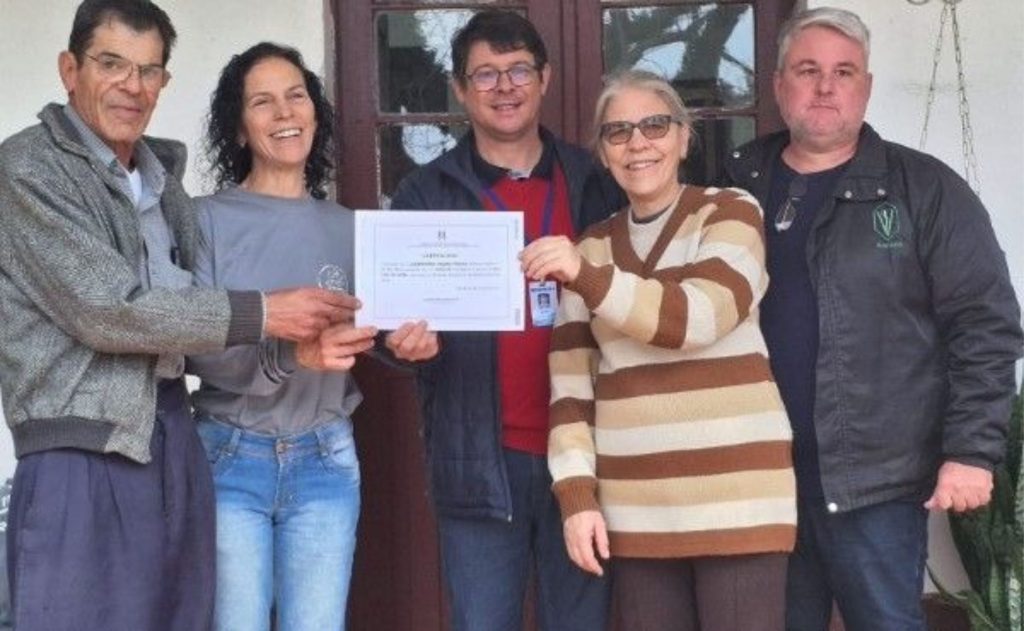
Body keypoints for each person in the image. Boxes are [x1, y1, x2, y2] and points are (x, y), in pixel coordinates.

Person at [0, 2, 357, 629]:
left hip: (171, 435)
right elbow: (106, 310)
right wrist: (267, 314)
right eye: (111, 64)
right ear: (69, 69)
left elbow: (185, 316)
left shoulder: (160, 179)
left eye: (149, 70)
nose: (131, 86)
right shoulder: (30, 167)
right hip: (79, 444)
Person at [721, 8, 1023, 631]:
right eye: (808, 70)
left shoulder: (924, 190)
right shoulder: (735, 187)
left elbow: (985, 324)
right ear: (779, 85)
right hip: (761, 476)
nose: (825, 87)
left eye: (843, 72)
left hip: (877, 482)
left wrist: (970, 450)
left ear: (865, 86)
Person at [522, 69, 797, 631]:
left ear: (683, 136)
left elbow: (697, 316)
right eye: (618, 131)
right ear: (602, 152)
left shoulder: (730, 212)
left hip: (738, 498)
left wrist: (587, 277)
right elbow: (570, 393)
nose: (638, 143)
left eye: (654, 125)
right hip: (636, 509)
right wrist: (576, 498)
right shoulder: (590, 246)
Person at [388, 9, 623, 631]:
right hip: (480, 456)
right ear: (461, 90)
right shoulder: (426, 192)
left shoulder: (596, 181)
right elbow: (391, 321)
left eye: (518, 69)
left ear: (544, 78)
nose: (504, 87)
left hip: (591, 452)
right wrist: (402, 345)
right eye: (485, 75)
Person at [187, 42, 388, 631]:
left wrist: (412, 344)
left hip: (326, 458)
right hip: (228, 455)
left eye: (296, 96)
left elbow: (383, 331)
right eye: (263, 102)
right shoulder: (207, 220)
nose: (284, 113)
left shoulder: (350, 229)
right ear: (241, 128)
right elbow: (194, 346)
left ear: (315, 113)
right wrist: (289, 354)